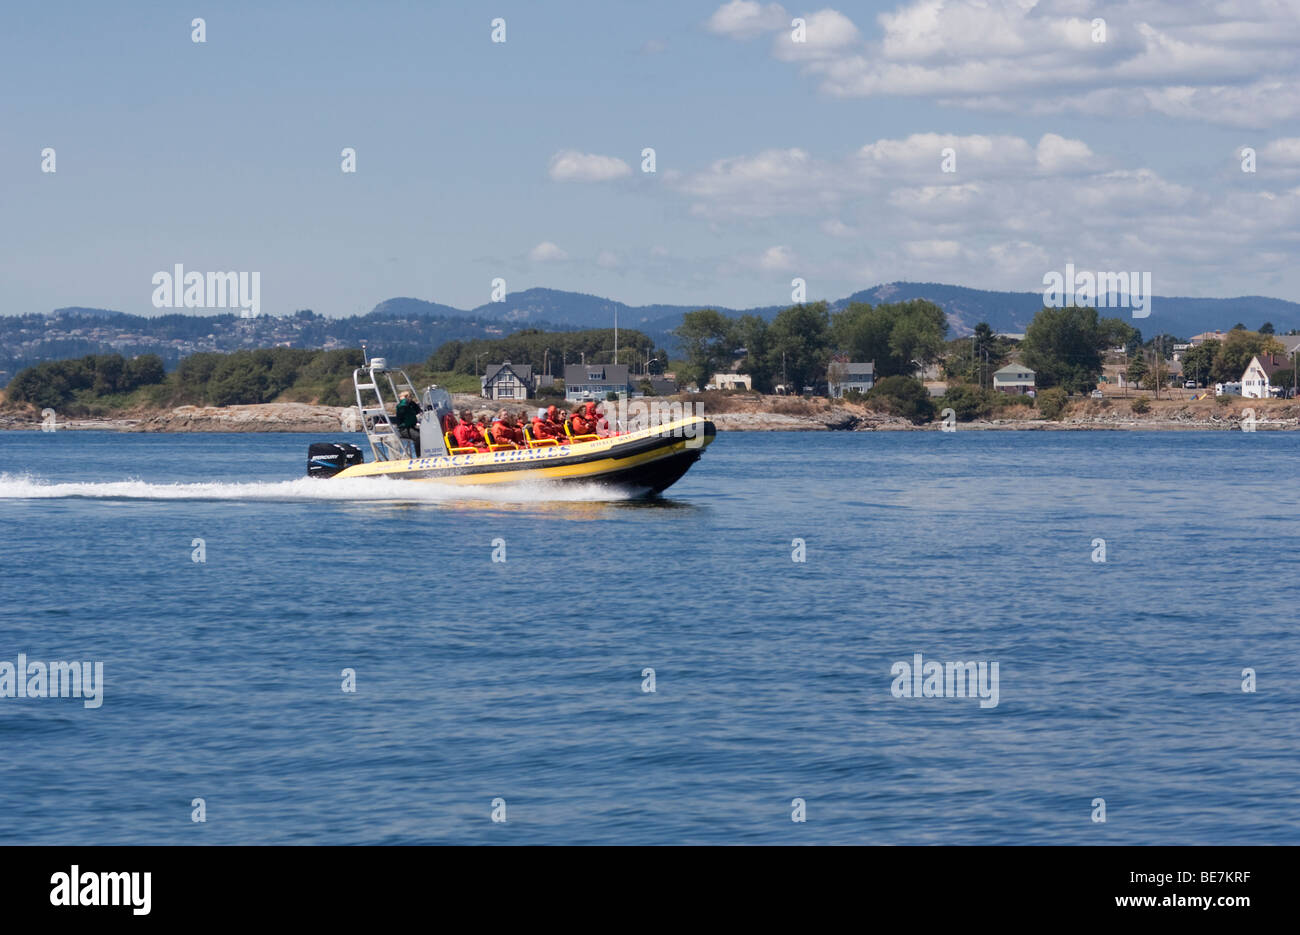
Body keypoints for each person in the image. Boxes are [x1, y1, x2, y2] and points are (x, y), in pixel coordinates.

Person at [395, 390, 422, 455]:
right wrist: (405, 400)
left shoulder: (411, 404)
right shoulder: (401, 406)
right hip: (404, 429)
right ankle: (419, 456)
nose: (410, 398)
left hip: (412, 427)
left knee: (425, 434)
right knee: (417, 437)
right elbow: (402, 408)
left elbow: (418, 410)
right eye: (409, 397)